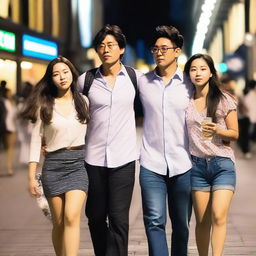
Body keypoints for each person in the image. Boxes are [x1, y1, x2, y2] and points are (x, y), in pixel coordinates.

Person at [78, 24, 142, 256]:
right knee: (95, 217)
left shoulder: (136, 78)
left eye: (111, 45)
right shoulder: (85, 80)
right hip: (93, 159)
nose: (106, 49)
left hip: (124, 159)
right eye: (102, 45)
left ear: (121, 49)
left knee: (118, 218)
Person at [20, 56, 89, 256]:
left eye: (65, 72)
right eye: (56, 74)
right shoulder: (45, 105)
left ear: (72, 74)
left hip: (78, 165)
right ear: (51, 79)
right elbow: (35, 141)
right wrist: (31, 177)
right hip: (53, 167)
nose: (62, 77)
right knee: (58, 223)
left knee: (71, 216)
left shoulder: (83, 101)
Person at [138, 25, 193, 256]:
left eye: (164, 48)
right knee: (154, 221)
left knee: (181, 224)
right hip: (151, 164)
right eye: (155, 49)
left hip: (184, 163)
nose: (159, 53)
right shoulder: (142, 81)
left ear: (177, 50)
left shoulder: (190, 83)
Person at [184, 53, 239, 256]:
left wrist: (218, 130)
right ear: (188, 73)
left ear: (211, 72)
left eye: (203, 68)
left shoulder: (224, 99)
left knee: (218, 215)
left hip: (222, 164)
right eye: (193, 69)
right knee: (202, 221)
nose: (198, 73)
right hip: (196, 167)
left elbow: (234, 134)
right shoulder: (186, 100)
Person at [1, 85, 17, 176]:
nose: (10, 94)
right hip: (4, 128)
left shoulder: (12, 102)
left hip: (12, 127)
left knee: (10, 149)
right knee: (4, 149)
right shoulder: (3, 102)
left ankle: (9, 168)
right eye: (8, 92)